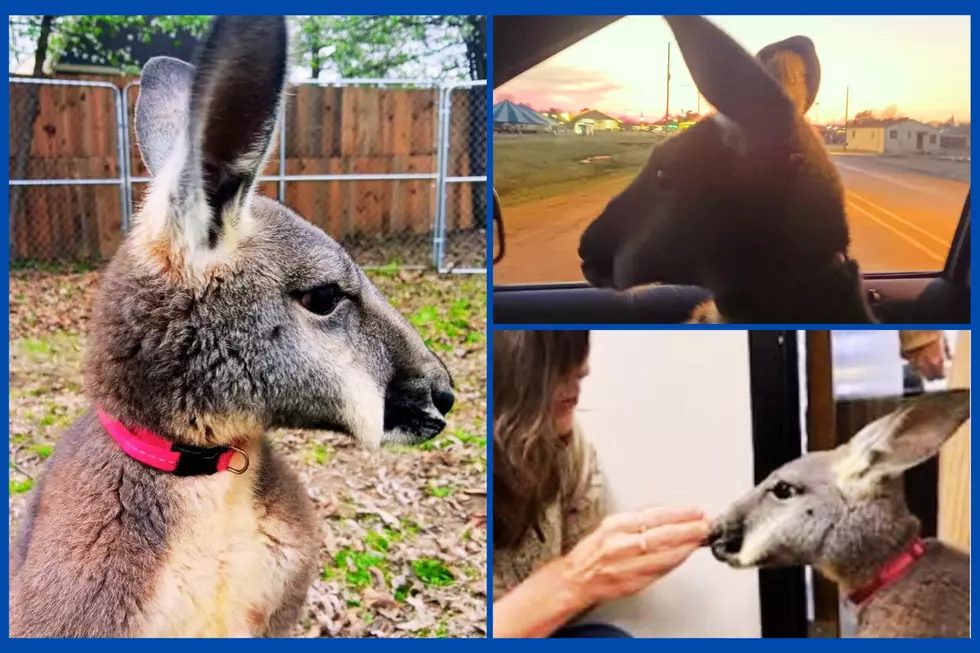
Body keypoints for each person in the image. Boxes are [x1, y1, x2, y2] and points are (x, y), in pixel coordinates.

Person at [492, 330, 709, 638]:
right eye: (553, 361)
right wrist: (570, 581)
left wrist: (602, 573)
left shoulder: (568, 448)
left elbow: (576, 599)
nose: (583, 371)